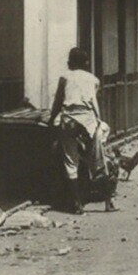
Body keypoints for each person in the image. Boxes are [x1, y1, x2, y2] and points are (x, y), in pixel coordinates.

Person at [48, 47, 117, 214]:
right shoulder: (93, 80)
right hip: (88, 121)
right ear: (86, 63)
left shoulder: (64, 78)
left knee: (70, 162)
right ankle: (108, 202)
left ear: (70, 62)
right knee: (98, 161)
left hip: (70, 120)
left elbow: (58, 102)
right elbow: (94, 104)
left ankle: (77, 204)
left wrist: (51, 120)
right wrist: (98, 121)